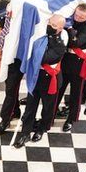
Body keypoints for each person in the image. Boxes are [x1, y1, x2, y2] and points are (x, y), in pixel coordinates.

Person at [14, 14, 66, 148]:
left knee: (48, 108)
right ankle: (25, 133)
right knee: (30, 106)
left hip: (50, 81)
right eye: (50, 22)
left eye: (54, 25)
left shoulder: (60, 44)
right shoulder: (41, 37)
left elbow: (43, 58)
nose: (50, 26)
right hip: (36, 78)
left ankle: (41, 129)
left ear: (60, 28)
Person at [56, 3, 86, 132]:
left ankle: (72, 119)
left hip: (78, 63)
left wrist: (71, 32)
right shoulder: (70, 20)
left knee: (76, 93)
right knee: (59, 88)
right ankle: (51, 114)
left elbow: (76, 42)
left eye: (81, 17)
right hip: (66, 60)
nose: (77, 18)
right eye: (76, 15)